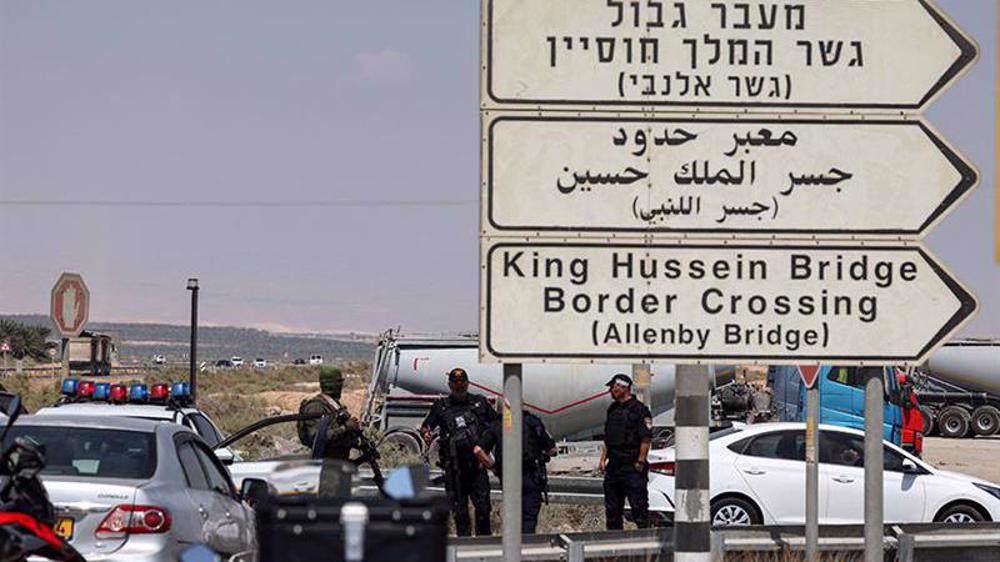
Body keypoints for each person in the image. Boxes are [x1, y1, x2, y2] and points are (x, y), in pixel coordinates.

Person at [420, 367, 498, 537]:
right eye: (456, 385)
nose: (459, 388)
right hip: (454, 470)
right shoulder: (441, 407)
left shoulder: (480, 403)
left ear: (468, 384)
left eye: (462, 385)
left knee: (483, 509)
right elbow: (427, 426)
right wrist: (426, 433)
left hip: (477, 467)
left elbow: (496, 426)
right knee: (460, 512)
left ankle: (484, 547)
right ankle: (464, 550)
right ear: (450, 386)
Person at [473, 408, 557, 534]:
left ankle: (512, 549)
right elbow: (552, 449)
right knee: (528, 520)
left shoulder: (498, 424)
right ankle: (526, 548)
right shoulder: (532, 421)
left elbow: (478, 450)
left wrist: (493, 467)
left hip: (508, 479)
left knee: (512, 520)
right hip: (530, 477)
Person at [599, 373, 653, 530]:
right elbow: (608, 437)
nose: (611, 390)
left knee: (639, 508)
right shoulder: (613, 409)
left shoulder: (639, 410)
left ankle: (646, 543)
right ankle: (614, 546)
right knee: (612, 509)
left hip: (632, 466)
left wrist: (640, 461)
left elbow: (646, 438)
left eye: (613, 387)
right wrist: (603, 459)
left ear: (623, 388)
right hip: (614, 465)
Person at [297, 366, 360, 460]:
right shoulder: (316, 407)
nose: (341, 386)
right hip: (326, 463)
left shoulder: (333, 404)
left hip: (339, 460)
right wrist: (345, 427)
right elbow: (318, 438)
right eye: (338, 382)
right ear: (329, 384)